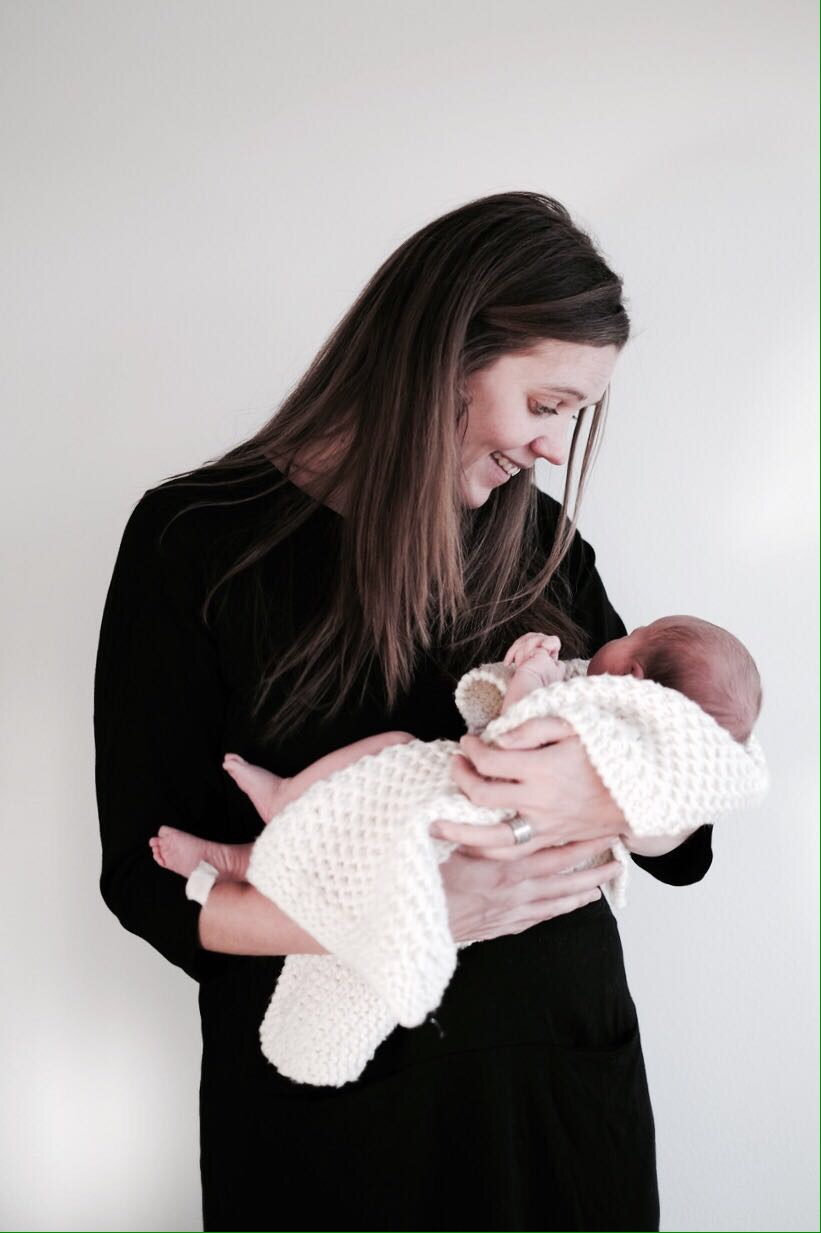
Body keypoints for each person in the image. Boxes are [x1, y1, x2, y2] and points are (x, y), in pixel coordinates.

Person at [94, 191, 718, 1231]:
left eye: (571, 415)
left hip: (558, 1101)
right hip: (337, 1131)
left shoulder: (540, 546)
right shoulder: (194, 541)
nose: (550, 447)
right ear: (446, 353)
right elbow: (144, 877)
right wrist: (416, 918)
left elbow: (682, 833)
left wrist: (599, 800)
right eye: (545, 403)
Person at [147, 614, 762, 888]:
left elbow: (517, 734)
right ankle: (251, 852)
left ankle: (273, 821)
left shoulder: (601, 724)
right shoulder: (603, 693)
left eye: (633, 634)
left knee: (392, 759)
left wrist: (531, 674)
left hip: (471, 833)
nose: (617, 631)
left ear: (632, 677)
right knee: (363, 828)